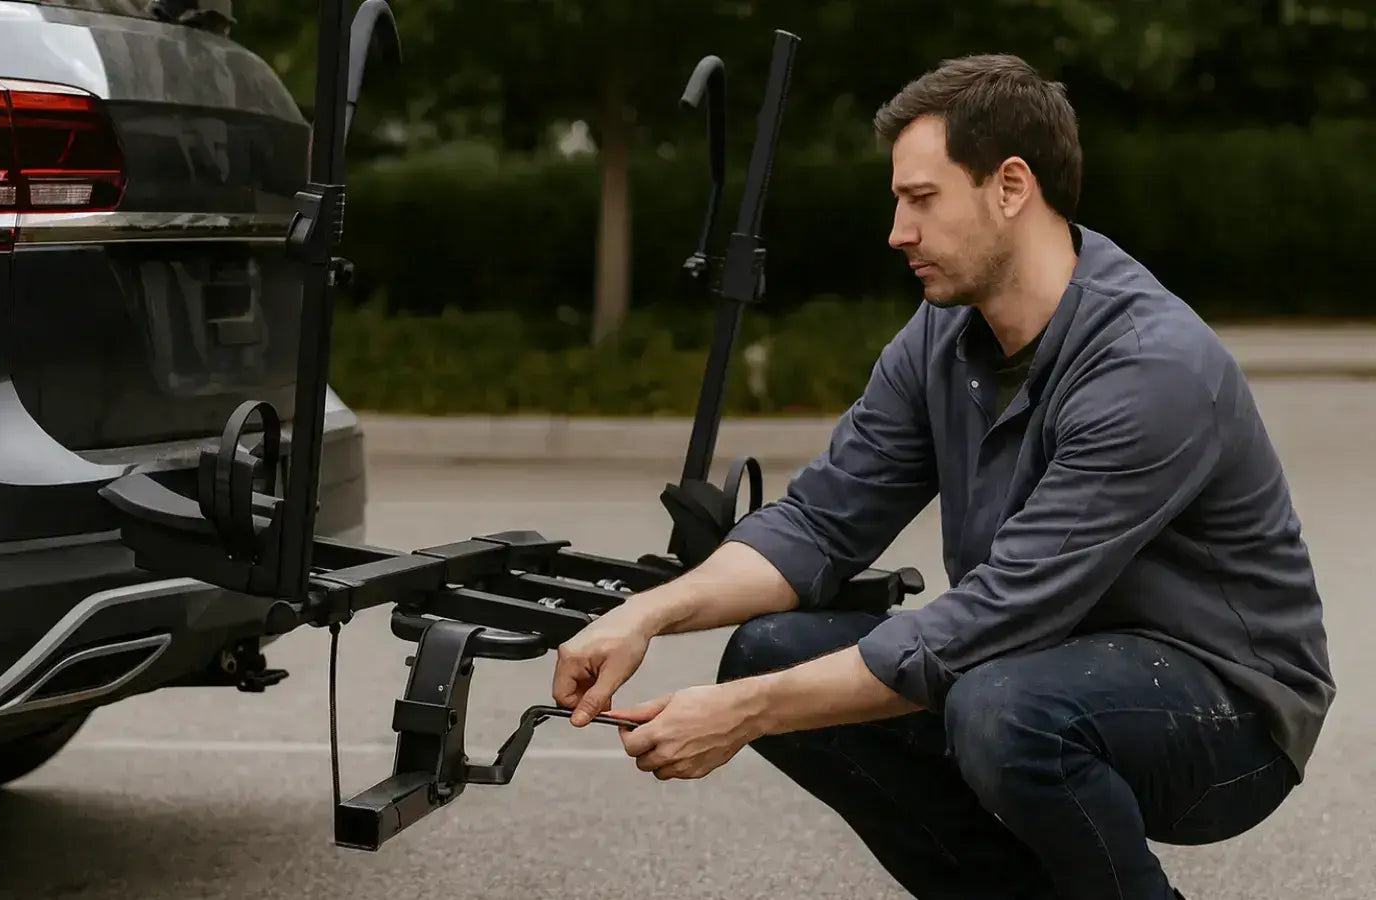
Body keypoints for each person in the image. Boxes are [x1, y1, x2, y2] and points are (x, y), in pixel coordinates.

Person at [551, 53, 1335, 900]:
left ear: (1010, 187)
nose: (897, 229)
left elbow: (993, 620)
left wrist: (746, 713)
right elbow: (818, 524)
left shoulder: (1150, 368)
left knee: (999, 710)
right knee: (768, 651)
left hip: (1227, 713)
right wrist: (645, 616)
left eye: (921, 198)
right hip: (1039, 660)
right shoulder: (941, 338)